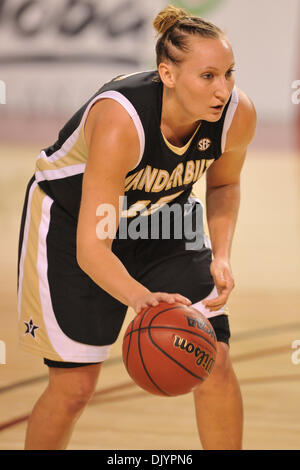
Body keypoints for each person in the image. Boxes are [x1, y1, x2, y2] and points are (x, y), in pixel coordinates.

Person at [17, 5, 256, 450]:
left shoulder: (237, 115)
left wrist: (221, 255)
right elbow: (93, 248)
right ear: (167, 74)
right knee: (75, 388)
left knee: (213, 359)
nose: (223, 88)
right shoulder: (120, 121)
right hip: (74, 228)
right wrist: (140, 299)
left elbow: (224, 183)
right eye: (208, 76)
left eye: (229, 73)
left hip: (165, 222)